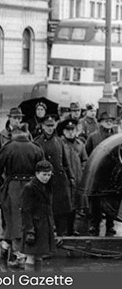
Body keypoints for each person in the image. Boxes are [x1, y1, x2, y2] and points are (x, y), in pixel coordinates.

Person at [0, 119, 44, 268]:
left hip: (13, 187)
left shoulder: (8, 147)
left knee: (14, 221)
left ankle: (17, 255)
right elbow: (43, 170)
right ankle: (24, 254)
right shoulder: (36, 148)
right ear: (27, 133)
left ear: (14, 133)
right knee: (30, 220)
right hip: (32, 187)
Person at [34, 115, 74, 236]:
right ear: (42, 126)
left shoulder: (59, 141)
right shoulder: (37, 142)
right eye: (47, 126)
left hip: (61, 181)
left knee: (62, 211)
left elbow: (65, 162)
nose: (50, 128)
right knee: (47, 211)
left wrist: (71, 176)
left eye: (52, 125)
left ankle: (63, 236)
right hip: (46, 181)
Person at [85, 112, 118, 236]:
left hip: (112, 174)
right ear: (100, 123)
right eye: (106, 120)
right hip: (97, 174)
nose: (109, 122)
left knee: (111, 200)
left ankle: (110, 225)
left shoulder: (116, 136)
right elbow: (87, 153)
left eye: (110, 120)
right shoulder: (93, 137)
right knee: (95, 201)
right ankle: (94, 225)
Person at [20, 160, 56, 268]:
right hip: (34, 226)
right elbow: (26, 211)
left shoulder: (48, 186)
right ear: (36, 173)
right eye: (44, 175)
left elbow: (49, 208)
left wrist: (52, 226)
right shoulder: (30, 187)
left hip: (44, 225)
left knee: (39, 255)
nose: (46, 177)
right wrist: (29, 231)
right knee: (31, 256)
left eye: (49, 175)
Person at [59, 118, 88, 236]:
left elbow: (85, 160)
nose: (70, 132)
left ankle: (71, 229)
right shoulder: (60, 143)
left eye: (72, 130)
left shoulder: (80, 144)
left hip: (77, 180)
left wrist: (81, 171)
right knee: (63, 206)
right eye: (68, 130)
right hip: (64, 180)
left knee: (74, 206)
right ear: (64, 131)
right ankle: (62, 230)